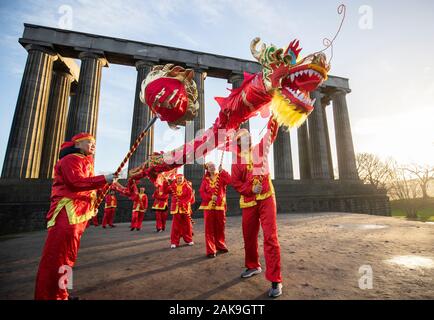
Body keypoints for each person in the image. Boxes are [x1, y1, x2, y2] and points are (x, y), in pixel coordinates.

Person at [34, 132, 117, 300]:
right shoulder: (71, 159)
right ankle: (47, 296)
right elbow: (75, 183)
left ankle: (62, 293)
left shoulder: (84, 161)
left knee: (68, 258)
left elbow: (86, 189)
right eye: (89, 142)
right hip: (67, 213)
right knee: (56, 257)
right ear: (78, 144)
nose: (93, 145)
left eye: (94, 143)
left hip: (76, 214)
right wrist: (104, 178)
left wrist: (91, 207)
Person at [231, 120, 283, 298]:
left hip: (267, 198)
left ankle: (276, 280)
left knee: (270, 237)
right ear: (237, 143)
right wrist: (250, 189)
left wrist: (276, 113)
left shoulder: (260, 148)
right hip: (248, 202)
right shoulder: (236, 162)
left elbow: (271, 131)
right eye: (242, 138)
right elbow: (236, 183)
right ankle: (253, 266)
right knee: (249, 236)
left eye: (248, 137)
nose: (247, 139)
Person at [199, 162, 231, 258]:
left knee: (220, 227)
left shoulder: (220, 176)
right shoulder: (205, 180)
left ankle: (220, 245)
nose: (212, 167)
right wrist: (209, 197)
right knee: (209, 228)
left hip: (220, 205)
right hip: (208, 207)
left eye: (213, 166)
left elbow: (230, 180)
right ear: (207, 169)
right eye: (210, 166)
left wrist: (223, 171)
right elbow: (202, 192)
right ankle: (211, 250)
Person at [169, 174, 194, 248]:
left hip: (185, 208)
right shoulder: (172, 186)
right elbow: (167, 192)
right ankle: (174, 242)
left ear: (183, 179)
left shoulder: (187, 187)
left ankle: (189, 240)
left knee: (187, 225)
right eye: (178, 178)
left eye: (181, 178)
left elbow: (189, 197)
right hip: (176, 209)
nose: (179, 179)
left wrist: (183, 202)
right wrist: (164, 182)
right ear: (176, 179)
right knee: (175, 226)